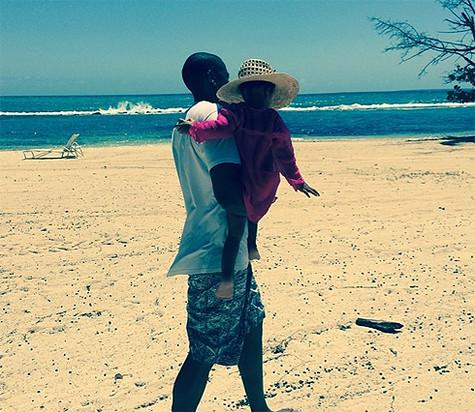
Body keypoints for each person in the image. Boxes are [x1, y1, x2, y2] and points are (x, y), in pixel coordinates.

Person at [168, 52, 292, 412]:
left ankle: (259, 407)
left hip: (223, 247)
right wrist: (256, 206)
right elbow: (225, 189)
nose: (227, 87)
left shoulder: (187, 121)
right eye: (223, 77)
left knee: (252, 320)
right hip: (216, 249)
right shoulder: (211, 116)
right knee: (203, 350)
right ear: (210, 77)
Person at [177, 58, 320, 301]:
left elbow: (217, 129)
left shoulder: (237, 114)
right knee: (252, 215)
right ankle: (251, 247)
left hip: (247, 181)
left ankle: (227, 280)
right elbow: (285, 154)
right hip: (265, 182)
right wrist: (296, 180)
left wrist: (193, 129)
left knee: (236, 232)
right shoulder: (273, 119)